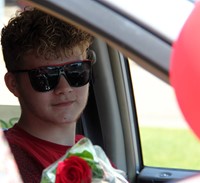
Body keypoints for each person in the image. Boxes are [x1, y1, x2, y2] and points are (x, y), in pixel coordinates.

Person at [1, 6, 95, 183]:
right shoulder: (9, 165)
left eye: (76, 71)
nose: (64, 87)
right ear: (13, 84)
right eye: (45, 76)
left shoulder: (88, 153)